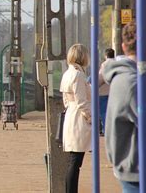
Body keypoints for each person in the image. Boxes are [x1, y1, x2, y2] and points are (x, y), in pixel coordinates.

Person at [103, 21, 138, 192]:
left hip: (128, 165)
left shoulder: (120, 77)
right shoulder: (134, 83)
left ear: (123, 47)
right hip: (137, 169)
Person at [60, 43, 91, 193]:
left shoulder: (68, 73)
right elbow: (82, 101)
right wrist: (91, 117)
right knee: (75, 161)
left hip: (71, 115)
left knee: (73, 160)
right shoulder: (78, 75)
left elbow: (66, 100)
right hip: (79, 119)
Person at [97, 48, 114, 135]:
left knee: (103, 112)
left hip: (103, 92)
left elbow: (101, 77)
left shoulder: (105, 64)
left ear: (106, 55)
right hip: (111, 92)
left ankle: (105, 129)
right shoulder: (116, 63)